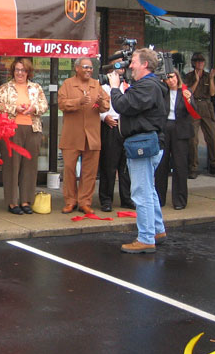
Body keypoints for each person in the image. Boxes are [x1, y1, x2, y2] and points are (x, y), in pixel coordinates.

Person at [109, 48, 167, 254]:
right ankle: (157, 230)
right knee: (149, 190)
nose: (130, 65)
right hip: (147, 143)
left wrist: (115, 88)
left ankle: (145, 238)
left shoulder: (147, 87)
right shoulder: (148, 86)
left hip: (143, 144)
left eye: (133, 62)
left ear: (145, 65)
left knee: (141, 193)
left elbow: (122, 105)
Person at [0, 58, 49, 215]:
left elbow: (44, 105)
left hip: (32, 129)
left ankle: (26, 201)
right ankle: (12, 202)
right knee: (12, 166)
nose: (20, 73)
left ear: (28, 72)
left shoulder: (36, 87)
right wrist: (14, 108)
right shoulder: (6, 88)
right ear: (13, 71)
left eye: (23, 70)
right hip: (11, 130)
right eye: (17, 70)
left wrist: (33, 109)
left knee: (29, 167)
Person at [58, 58, 109, 215]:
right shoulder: (68, 84)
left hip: (92, 136)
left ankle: (85, 202)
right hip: (72, 135)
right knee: (69, 169)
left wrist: (100, 103)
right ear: (77, 68)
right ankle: (70, 201)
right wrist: (79, 101)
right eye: (85, 67)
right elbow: (61, 103)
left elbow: (106, 105)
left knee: (89, 171)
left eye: (91, 68)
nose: (89, 70)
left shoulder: (96, 85)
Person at [154, 70, 194, 210]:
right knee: (161, 165)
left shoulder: (185, 91)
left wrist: (189, 100)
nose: (171, 80)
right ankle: (159, 199)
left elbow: (193, 113)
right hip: (165, 128)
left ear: (177, 78)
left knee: (180, 165)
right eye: (168, 78)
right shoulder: (162, 92)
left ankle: (180, 200)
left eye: (173, 77)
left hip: (180, 130)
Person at [184, 52, 215, 179]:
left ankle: (214, 165)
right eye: (197, 61)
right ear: (193, 63)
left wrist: (212, 78)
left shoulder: (208, 76)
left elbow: (212, 93)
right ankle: (193, 167)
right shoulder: (189, 76)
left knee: (212, 137)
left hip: (207, 106)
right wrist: (196, 80)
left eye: (201, 61)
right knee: (193, 139)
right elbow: (189, 92)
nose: (200, 63)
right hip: (194, 105)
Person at [98, 80, 134, 212]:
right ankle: (106, 200)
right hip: (110, 125)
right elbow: (96, 106)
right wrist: (104, 117)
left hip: (126, 125)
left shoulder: (128, 86)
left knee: (126, 165)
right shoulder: (102, 87)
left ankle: (127, 198)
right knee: (109, 165)